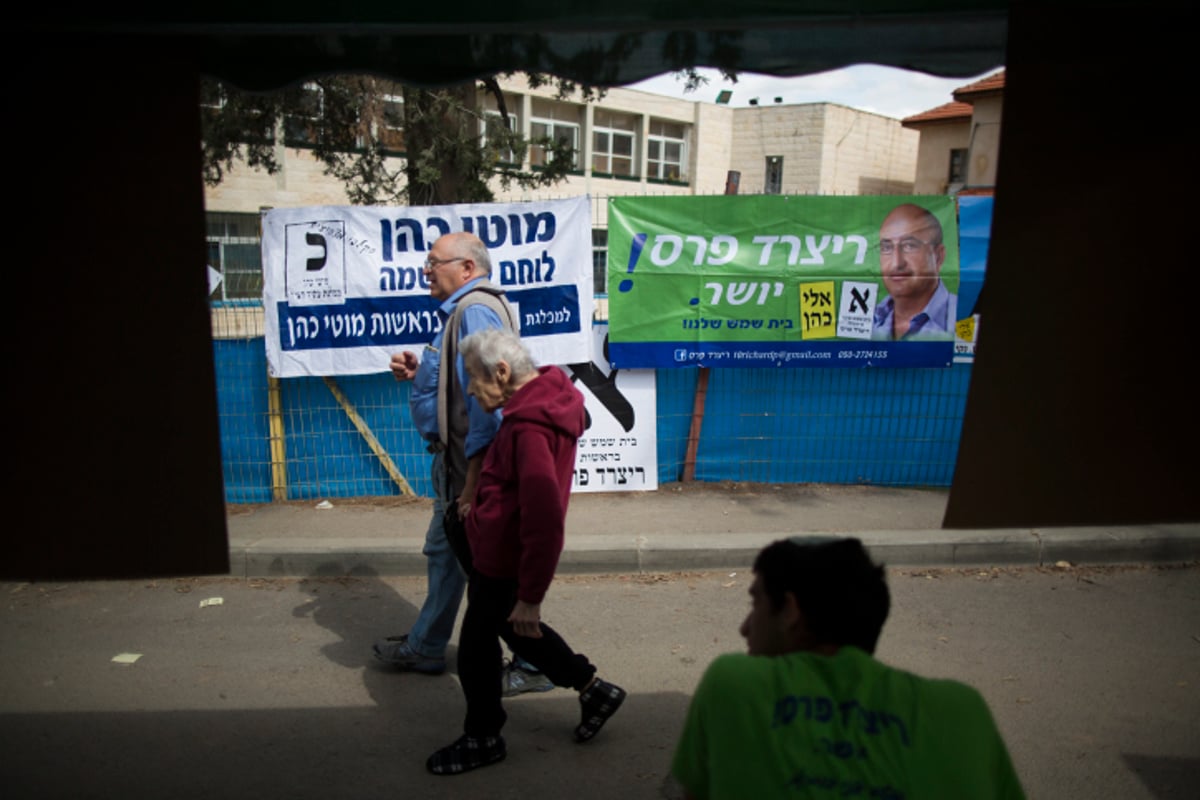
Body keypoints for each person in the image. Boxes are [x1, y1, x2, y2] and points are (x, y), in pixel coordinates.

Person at [671, 536, 1025, 800]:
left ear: (791, 610)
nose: (745, 627)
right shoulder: (964, 711)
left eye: (756, 602)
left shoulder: (733, 685)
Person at [426, 327, 626, 776]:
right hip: (499, 554)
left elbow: (544, 517)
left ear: (501, 372)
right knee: (515, 630)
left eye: (475, 384)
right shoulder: (536, 406)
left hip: (506, 559)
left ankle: (483, 736)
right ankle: (592, 688)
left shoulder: (530, 428)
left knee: (479, 648)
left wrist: (532, 594)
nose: (474, 396)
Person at [374, 231, 552, 697]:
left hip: (466, 469)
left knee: (487, 570)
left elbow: (488, 405)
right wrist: (421, 375)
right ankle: (428, 644)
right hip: (458, 466)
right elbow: (463, 385)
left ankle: (536, 663)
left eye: (434, 262)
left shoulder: (473, 309)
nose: (426, 270)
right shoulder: (465, 311)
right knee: (449, 558)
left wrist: (471, 485)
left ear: (467, 268)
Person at [872, 202, 958, 340]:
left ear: (938, 257)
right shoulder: (870, 319)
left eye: (909, 246)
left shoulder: (964, 316)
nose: (897, 263)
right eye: (886, 248)